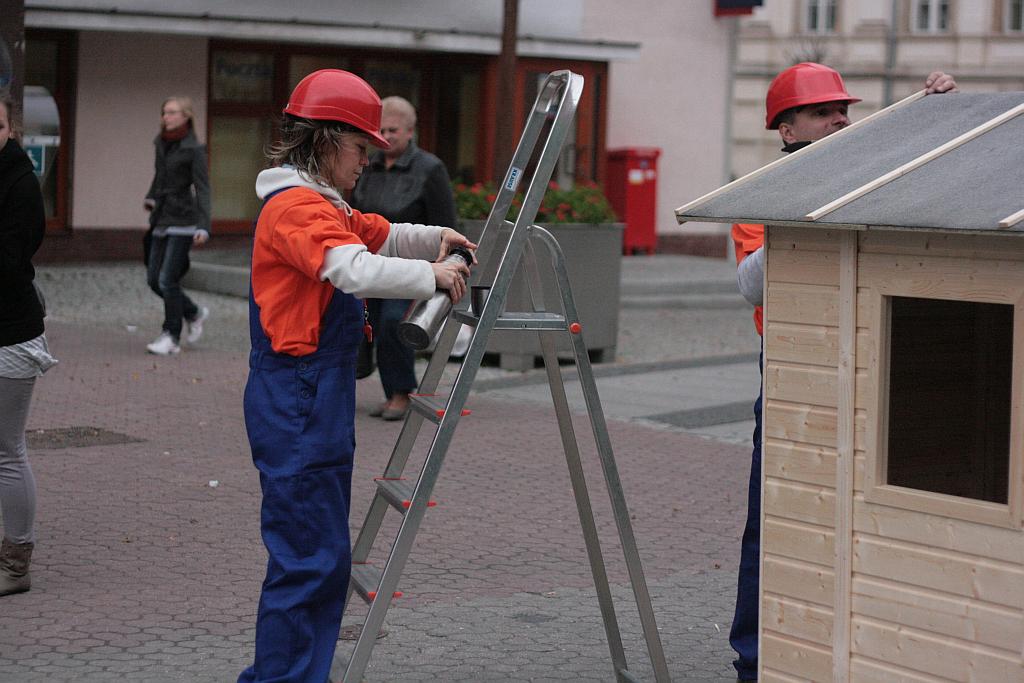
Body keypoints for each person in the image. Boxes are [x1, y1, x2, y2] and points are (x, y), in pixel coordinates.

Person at [238, 69, 475, 683]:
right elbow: (354, 268)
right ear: (324, 140)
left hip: (313, 392)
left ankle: (298, 672)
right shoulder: (295, 209)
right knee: (306, 559)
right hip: (297, 394)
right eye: (360, 146)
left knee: (321, 555)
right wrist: (434, 277)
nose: (367, 159)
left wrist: (434, 238)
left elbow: (380, 233)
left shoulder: (323, 205)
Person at [728, 63, 957, 682]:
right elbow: (753, 285)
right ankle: (755, 658)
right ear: (787, 128)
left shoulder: (861, 175)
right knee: (774, 519)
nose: (841, 120)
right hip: (790, 373)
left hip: (867, 361)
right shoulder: (760, 189)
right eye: (825, 112)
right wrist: (803, 201)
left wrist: (929, 112)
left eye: (843, 110)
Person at [350, 95, 459, 420]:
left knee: (393, 324)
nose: (387, 136)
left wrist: (444, 265)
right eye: (381, 130)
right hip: (371, 261)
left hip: (414, 265)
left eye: (393, 130)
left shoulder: (430, 168)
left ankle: (402, 392)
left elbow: (446, 223)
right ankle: (389, 392)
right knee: (369, 326)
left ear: (410, 131)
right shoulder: (367, 165)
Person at [0, 94, 58, 596]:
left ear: (8, 126)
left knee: (6, 450)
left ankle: (16, 563)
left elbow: (10, 258)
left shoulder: (19, 183)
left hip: (11, 334)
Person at [143, 95, 211, 356]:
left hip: (184, 220)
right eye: (164, 112)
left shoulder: (194, 149)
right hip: (161, 217)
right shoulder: (161, 142)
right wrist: (151, 196)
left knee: (167, 279)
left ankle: (171, 336)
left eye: (172, 112)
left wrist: (203, 225)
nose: (166, 117)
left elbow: (203, 188)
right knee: (153, 280)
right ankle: (194, 313)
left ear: (185, 116)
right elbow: (160, 176)